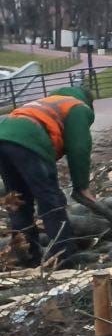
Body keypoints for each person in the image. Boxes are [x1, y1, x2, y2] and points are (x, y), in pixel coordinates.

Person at [0, 86, 97, 267]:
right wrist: (81, 186)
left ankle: (27, 257)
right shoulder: (78, 107)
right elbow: (79, 148)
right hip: (28, 138)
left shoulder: (48, 103)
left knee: (18, 201)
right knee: (51, 201)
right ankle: (64, 257)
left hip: (3, 135)